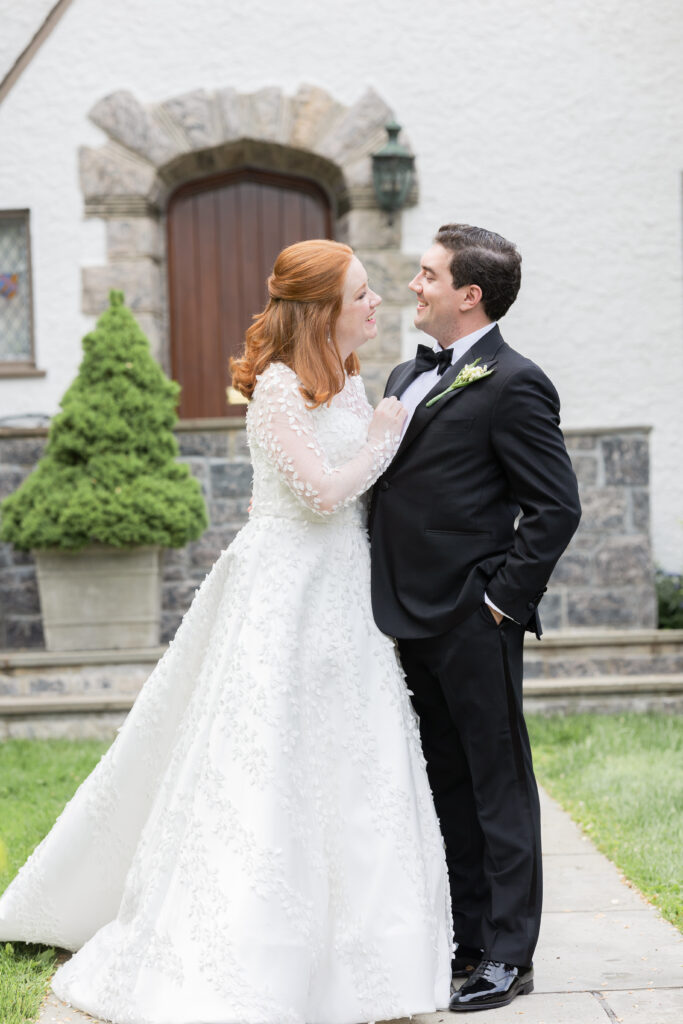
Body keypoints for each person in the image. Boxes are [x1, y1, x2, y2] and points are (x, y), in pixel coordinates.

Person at [0, 240, 452, 1024]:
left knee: (356, 761)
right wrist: (386, 435)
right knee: (263, 755)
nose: (377, 303)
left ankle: (365, 954)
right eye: (360, 294)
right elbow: (315, 494)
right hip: (285, 592)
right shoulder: (279, 388)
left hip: (343, 593)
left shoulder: (347, 383)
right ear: (320, 312)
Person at [369, 224, 582, 1013]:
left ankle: (508, 956)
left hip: (468, 618)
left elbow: (555, 507)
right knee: (443, 787)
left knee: (497, 787)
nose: (412, 284)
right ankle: (464, 941)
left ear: (469, 294)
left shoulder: (514, 381)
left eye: (427, 274)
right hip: (399, 618)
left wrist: (498, 602)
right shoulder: (404, 371)